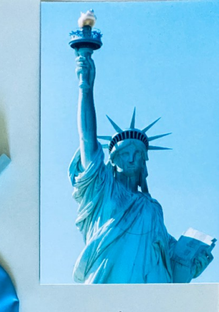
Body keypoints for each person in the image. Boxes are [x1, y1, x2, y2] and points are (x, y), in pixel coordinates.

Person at [70, 51, 213, 283]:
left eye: (138, 154)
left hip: (152, 286)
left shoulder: (152, 208)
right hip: (109, 281)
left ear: (144, 163)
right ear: (113, 160)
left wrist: (193, 261)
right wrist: (85, 87)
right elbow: (87, 139)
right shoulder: (101, 189)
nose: (132, 159)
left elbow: (168, 255)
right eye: (125, 153)